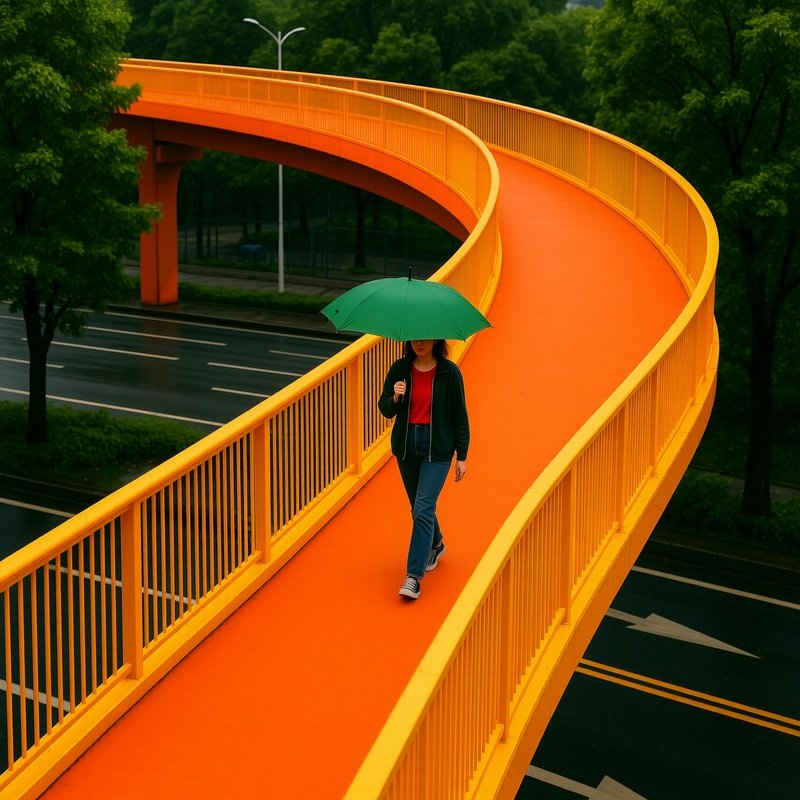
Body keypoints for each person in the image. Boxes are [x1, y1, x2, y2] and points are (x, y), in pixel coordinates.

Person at [378, 339, 470, 600]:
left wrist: (462, 455)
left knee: (422, 508)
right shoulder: (400, 369)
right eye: (415, 338)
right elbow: (385, 409)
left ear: (436, 341)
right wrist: (394, 397)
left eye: (425, 338)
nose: (419, 343)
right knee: (420, 507)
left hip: (437, 449)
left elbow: (459, 415)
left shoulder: (449, 373)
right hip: (407, 448)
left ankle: (413, 576)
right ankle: (436, 544)